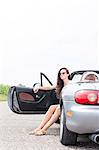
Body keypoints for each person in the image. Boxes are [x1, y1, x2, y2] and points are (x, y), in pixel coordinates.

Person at [30, 67, 70, 136]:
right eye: (60, 74)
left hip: (70, 105)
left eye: (63, 73)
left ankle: (44, 130)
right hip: (63, 105)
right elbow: (49, 87)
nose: (61, 75)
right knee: (52, 107)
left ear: (68, 74)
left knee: (58, 109)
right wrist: (39, 87)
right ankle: (39, 128)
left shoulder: (71, 84)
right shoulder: (60, 85)